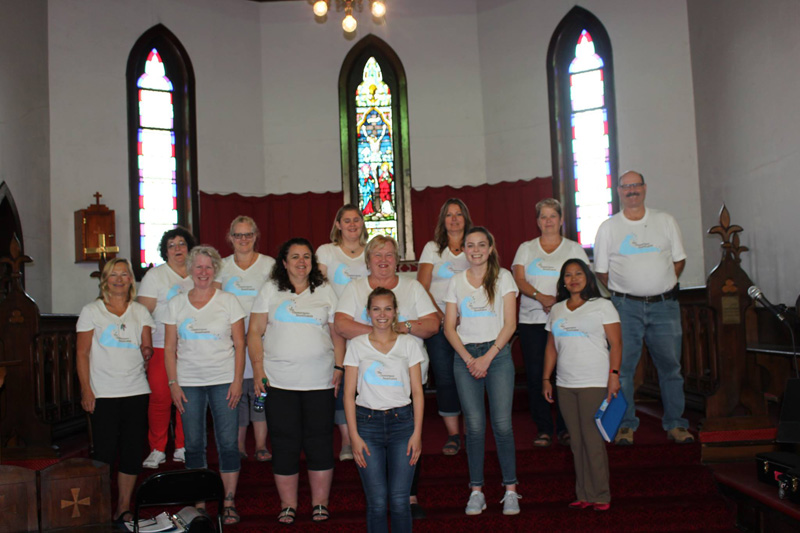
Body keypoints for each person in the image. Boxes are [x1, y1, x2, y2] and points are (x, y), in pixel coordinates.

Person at [335, 235, 439, 519]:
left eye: (389, 254)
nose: (383, 260)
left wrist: (400, 327)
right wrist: (378, 336)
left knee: (407, 444)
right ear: (367, 260)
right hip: (368, 387)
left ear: (398, 260)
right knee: (378, 492)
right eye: (377, 255)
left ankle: (410, 497)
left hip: (407, 375)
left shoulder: (412, 286)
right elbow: (341, 324)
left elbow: (432, 323)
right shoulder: (354, 288)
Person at [247, 237, 344, 525]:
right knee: (285, 443)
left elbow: (337, 332)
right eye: (295, 257)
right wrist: (258, 369)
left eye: (307, 257)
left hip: (320, 381)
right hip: (279, 382)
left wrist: (339, 366)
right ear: (284, 262)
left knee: (320, 443)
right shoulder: (270, 289)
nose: (302, 262)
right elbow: (254, 332)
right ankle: (288, 505)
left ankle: (320, 504)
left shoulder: (325, 290)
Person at [594, 170, 693, 445]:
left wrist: (657, 284)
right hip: (625, 308)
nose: (632, 190)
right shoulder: (608, 228)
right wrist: (629, 289)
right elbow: (602, 273)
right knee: (622, 369)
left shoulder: (665, 221)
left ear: (645, 188)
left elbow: (678, 261)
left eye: (636, 185)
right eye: (626, 186)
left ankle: (675, 423)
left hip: (665, 306)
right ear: (619, 191)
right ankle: (626, 424)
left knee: (671, 368)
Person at [164, 245, 246, 526]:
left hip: (224, 381)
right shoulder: (176, 304)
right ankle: (199, 502)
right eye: (198, 267)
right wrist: (173, 383)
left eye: (208, 267)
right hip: (188, 383)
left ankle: (228, 500)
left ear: (215, 270)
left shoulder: (229, 301)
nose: (203, 272)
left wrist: (237, 381)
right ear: (190, 269)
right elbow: (170, 347)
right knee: (195, 444)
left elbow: (240, 343)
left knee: (227, 443)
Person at [443, 226, 521, 516]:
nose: (475, 250)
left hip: (497, 355)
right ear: (463, 249)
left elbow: (510, 325)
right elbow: (449, 327)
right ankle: (476, 491)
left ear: (490, 248)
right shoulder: (455, 281)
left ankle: (511, 490)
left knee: (502, 425)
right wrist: (468, 359)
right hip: (465, 357)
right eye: (470, 245)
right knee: (474, 427)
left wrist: (487, 358)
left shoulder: (504, 278)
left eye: (481, 245)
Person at [76, 258, 155, 525]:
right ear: (105, 280)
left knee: (132, 452)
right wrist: (87, 390)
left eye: (124, 274)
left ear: (132, 279)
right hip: (104, 393)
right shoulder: (91, 311)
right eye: (113, 275)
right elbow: (82, 353)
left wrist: (147, 350)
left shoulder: (140, 311)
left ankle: (123, 507)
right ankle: (99, 507)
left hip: (135, 391)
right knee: (105, 454)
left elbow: (146, 346)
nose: (119, 279)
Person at [542, 258, 622, 511]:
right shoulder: (556, 310)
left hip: (595, 381)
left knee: (592, 440)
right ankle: (583, 493)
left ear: (587, 277)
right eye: (568, 275)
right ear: (563, 281)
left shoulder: (602, 306)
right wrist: (546, 378)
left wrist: (614, 375)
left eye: (578, 273)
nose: (573, 278)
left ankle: (601, 494)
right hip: (566, 384)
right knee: (575, 442)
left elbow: (616, 344)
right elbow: (551, 348)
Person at [343, 287, 425, 533]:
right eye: (376, 309)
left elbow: (418, 392)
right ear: (368, 313)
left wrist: (417, 434)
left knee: (400, 501)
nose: (382, 314)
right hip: (367, 425)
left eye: (387, 308)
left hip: (403, 424)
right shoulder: (356, 345)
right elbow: (348, 395)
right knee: (377, 503)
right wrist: (353, 437)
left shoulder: (409, 344)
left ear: (396, 312)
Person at [512, 198, 589, 448]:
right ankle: (544, 428)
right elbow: (520, 280)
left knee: (564, 374)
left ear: (560, 219)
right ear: (537, 222)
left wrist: (558, 302)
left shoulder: (574, 249)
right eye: (543, 217)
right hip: (532, 321)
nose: (548, 221)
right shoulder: (526, 248)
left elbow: (583, 281)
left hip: (565, 322)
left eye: (552, 216)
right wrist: (540, 297)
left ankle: (566, 428)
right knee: (537, 376)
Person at [215, 216, 276, 462]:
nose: (243, 240)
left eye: (248, 234)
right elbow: (215, 302)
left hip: (263, 341)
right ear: (230, 238)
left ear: (255, 236)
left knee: (260, 395)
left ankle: (261, 445)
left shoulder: (269, 265)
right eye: (238, 235)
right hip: (233, 343)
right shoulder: (221, 266)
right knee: (237, 395)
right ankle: (239, 446)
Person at [137, 227, 196, 469]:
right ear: (165, 251)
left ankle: (183, 446)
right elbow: (142, 314)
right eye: (172, 245)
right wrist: (146, 344)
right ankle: (158, 448)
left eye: (182, 243)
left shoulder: (198, 273)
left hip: (192, 348)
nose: (178, 249)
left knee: (188, 398)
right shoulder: (155, 276)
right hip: (162, 345)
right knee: (160, 398)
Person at [417, 198, 472, 455]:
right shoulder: (432, 249)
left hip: (471, 323)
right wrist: (440, 315)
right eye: (449, 215)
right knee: (446, 376)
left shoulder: (475, 244)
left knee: (471, 373)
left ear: (465, 218)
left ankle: (474, 429)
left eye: (458, 214)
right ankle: (453, 434)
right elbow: (422, 286)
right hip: (440, 324)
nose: (454, 219)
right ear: (443, 220)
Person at [316, 204, 370, 461]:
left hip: (368, 328)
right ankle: (347, 440)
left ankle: (368, 434)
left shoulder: (371, 252)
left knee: (367, 383)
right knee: (341, 384)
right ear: (338, 225)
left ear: (362, 224)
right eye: (346, 220)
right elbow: (318, 287)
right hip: (336, 329)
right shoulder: (326, 251)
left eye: (356, 220)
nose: (351, 225)